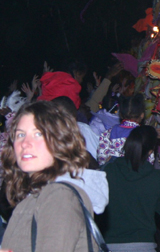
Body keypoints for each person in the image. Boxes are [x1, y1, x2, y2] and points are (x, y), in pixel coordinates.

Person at [0, 100, 109, 252]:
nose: (25, 143)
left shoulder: (58, 196)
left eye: (38, 134)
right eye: (20, 134)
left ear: (60, 141)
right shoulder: (37, 195)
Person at [102, 125, 160, 251]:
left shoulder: (109, 171)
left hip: (110, 244)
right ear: (150, 151)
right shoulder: (159, 178)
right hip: (144, 244)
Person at [97, 93, 146, 165]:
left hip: (112, 173)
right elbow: (148, 161)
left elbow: (102, 158)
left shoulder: (108, 132)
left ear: (120, 115)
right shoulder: (145, 136)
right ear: (142, 115)